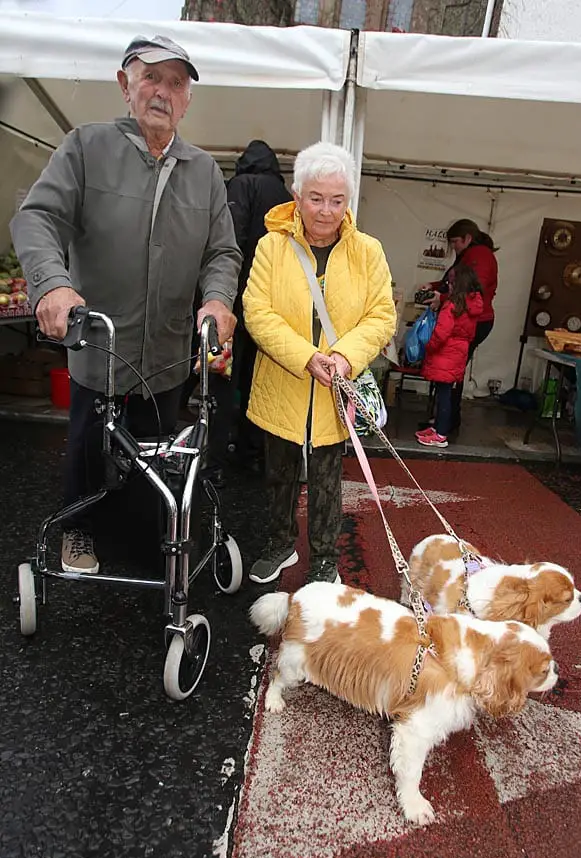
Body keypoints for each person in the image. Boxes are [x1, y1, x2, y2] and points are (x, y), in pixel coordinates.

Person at [10, 34, 241, 575]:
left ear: (188, 99)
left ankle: (138, 538)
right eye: (151, 78)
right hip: (99, 342)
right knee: (90, 448)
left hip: (165, 353)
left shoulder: (203, 171)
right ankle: (79, 530)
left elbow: (222, 251)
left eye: (177, 83)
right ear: (125, 85)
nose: (163, 92)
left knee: (155, 457)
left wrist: (217, 299)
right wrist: (51, 284)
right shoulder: (86, 147)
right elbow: (36, 217)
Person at [243, 141, 396, 585]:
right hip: (284, 381)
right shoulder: (272, 247)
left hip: (336, 387)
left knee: (329, 478)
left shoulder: (368, 251)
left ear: (349, 200)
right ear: (296, 195)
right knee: (279, 472)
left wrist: (345, 358)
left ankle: (326, 558)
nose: (326, 211)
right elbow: (258, 312)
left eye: (337, 200)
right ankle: (280, 544)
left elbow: (381, 315)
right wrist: (306, 357)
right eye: (315, 198)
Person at [178, 139, 292, 472]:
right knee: (257, 381)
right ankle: (251, 453)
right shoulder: (286, 198)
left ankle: (213, 459)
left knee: (222, 377)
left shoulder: (240, 187)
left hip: (233, 299)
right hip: (270, 306)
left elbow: (230, 240)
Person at [420, 218, 498, 431]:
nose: (453, 247)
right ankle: (445, 420)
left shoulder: (479, 256)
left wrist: (442, 298)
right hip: (473, 320)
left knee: (450, 373)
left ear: (468, 238)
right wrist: (437, 286)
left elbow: (471, 291)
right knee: (453, 371)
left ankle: (445, 422)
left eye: (455, 242)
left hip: (471, 321)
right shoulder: (476, 255)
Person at [415, 264, 484, 449]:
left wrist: (429, 347)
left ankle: (441, 434)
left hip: (445, 353)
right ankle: (437, 428)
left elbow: (441, 333)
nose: (448, 287)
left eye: (450, 283)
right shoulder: (473, 307)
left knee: (443, 395)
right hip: (459, 352)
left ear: (457, 285)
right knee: (445, 393)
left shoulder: (452, 306)